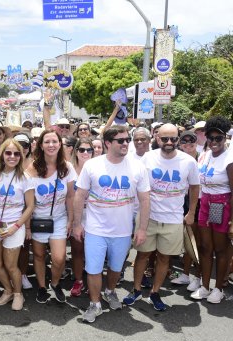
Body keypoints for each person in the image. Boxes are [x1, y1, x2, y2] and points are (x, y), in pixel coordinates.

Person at [73, 126, 150, 322]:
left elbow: (145, 200)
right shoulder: (92, 165)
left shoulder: (137, 167)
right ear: (108, 143)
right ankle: (95, 304)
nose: (126, 143)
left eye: (127, 140)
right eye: (120, 140)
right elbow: (79, 196)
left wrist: (142, 229)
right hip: (95, 229)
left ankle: (110, 291)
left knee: (116, 268)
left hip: (123, 230)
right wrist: (76, 224)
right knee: (94, 269)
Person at [123, 123, 200, 311]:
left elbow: (194, 187)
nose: (169, 142)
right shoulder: (147, 158)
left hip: (173, 219)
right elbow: (135, 183)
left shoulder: (188, 161)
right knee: (142, 255)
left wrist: (190, 212)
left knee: (165, 258)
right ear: (157, 138)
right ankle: (136, 289)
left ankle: (155, 293)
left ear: (178, 140)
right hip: (148, 217)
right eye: (164, 138)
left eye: (173, 139)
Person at [0, 139, 35, 310]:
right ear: (2, 154)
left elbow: (30, 206)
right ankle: (8, 290)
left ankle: (18, 293)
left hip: (14, 226)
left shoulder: (25, 177)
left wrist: (16, 227)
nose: (12, 156)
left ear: (21, 156)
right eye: (8, 153)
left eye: (16, 153)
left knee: (11, 266)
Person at [26, 130, 76, 304]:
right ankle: (41, 287)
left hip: (60, 218)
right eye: (47, 142)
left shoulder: (67, 167)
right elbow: (28, 201)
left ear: (60, 144)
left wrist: (71, 220)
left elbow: (70, 196)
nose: (51, 145)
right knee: (39, 256)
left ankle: (55, 283)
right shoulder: (31, 168)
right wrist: (27, 227)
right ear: (41, 145)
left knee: (59, 257)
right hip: (38, 218)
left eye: (54, 141)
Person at [191, 116, 233, 303]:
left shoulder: (230, 158)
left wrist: (232, 221)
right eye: (211, 137)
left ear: (225, 138)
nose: (214, 141)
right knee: (205, 246)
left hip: (221, 203)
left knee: (220, 248)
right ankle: (205, 286)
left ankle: (218, 288)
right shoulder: (205, 154)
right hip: (205, 202)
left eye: (219, 138)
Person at [171, 131, 202, 290]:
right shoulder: (177, 160)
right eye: (184, 141)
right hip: (180, 203)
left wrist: (192, 210)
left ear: (197, 143)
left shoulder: (202, 158)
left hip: (198, 204)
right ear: (179, 143)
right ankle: (185, 274)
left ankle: (198, 276)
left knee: (196, 241)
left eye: (192, 141)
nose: (188, 144)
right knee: (186, 240)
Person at [69, 138, 95, 296]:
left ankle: (92, 278)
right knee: (77, 250)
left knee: (92, 250)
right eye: (82, 150)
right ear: (75, 151)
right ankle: (78, 280)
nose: (85, 153)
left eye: (89, 150)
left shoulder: (99, 167)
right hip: (76, 215)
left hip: (94, 215)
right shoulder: (68, 169)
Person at [14, 132, 34, 289]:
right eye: (19, 145)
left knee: (25, 245)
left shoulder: (36, 163)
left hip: (33, 210)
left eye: (25, 145)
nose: (22, 148)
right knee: (11, 246)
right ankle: (12, 273)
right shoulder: (9, 161)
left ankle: (23, 274)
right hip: (12, 212)